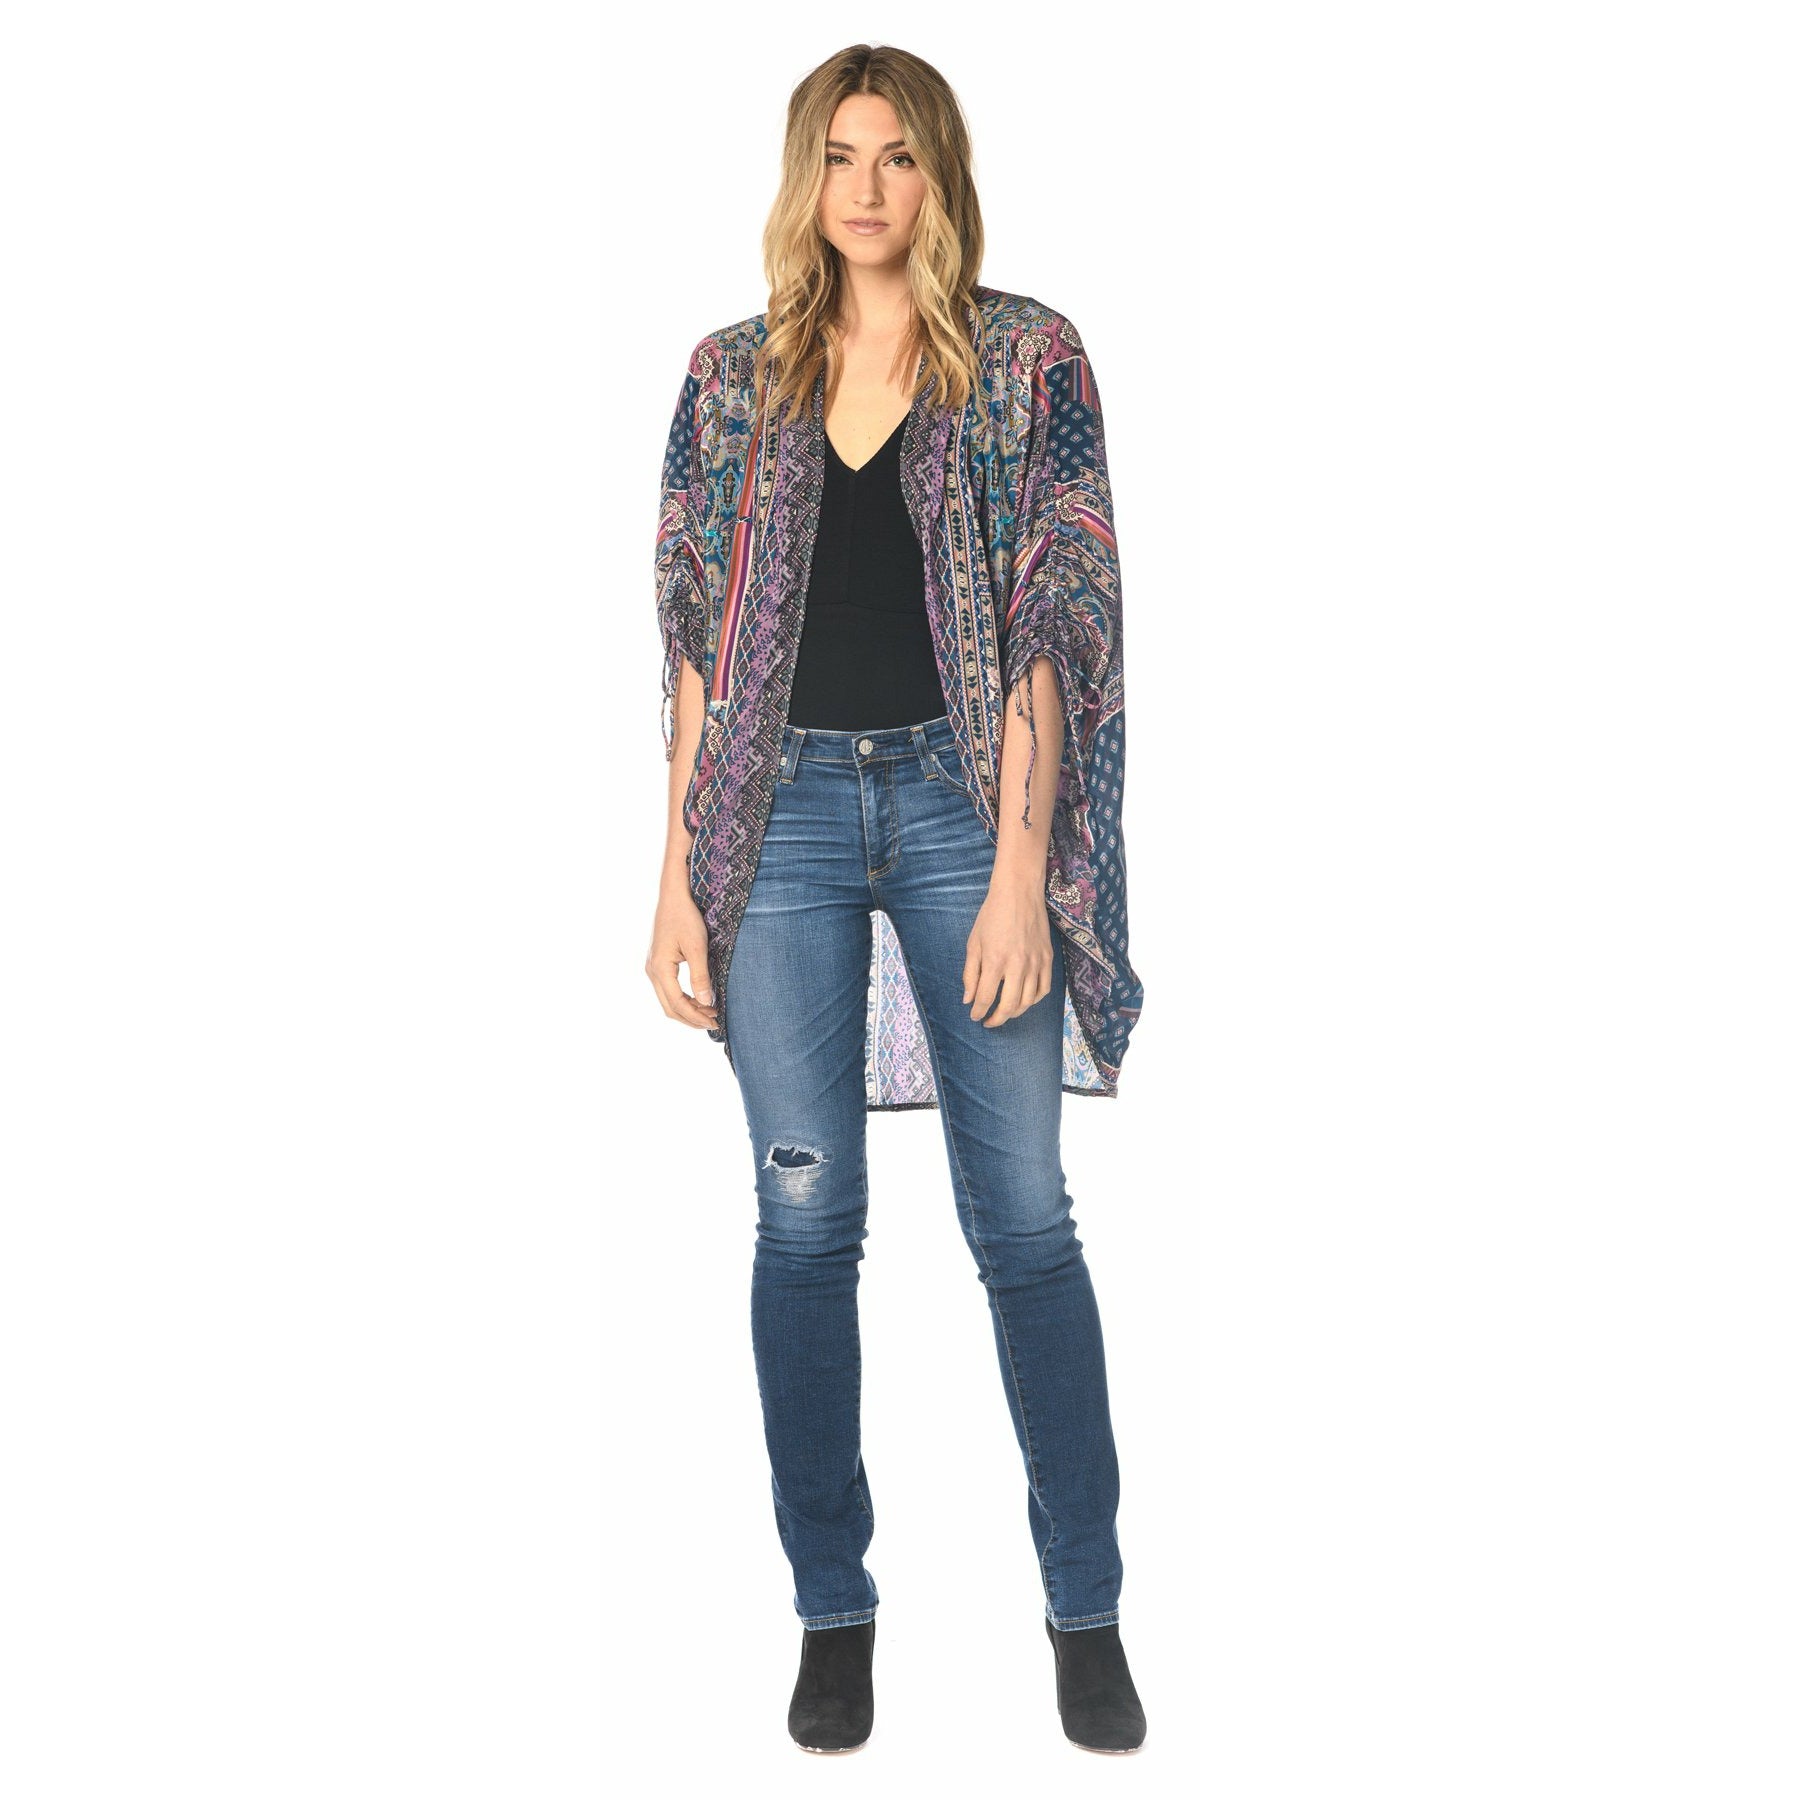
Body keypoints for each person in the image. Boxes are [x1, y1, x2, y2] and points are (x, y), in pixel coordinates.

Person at [646, 43, 1147, 1755]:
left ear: (941, 175)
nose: (866, 188)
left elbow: (1061, 616)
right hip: (773, 818)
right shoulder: (732, 379)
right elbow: (695, 642)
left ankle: (1086, 1607)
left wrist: (1018, 871)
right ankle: (832, 1611)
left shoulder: (1027, 360)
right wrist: (677, 881)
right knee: (804, 1225)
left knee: (1023, 1222)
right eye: (839, 156)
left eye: (899, 156)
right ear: (807, 176)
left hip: (959, 804)